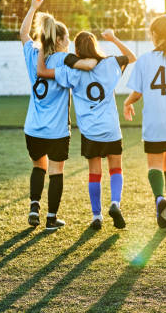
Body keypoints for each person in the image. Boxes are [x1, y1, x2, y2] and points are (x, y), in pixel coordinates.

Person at [37, 29, 136, 230]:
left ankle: (96, 216)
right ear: (95, 46)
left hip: (90, 131)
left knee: (94, 172)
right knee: (116, 168)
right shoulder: (110, 63)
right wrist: (113, 38)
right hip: (110, 128)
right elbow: (132, 57)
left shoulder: (73, 71)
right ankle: (115, 203)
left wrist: (42, 48)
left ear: (78, 50)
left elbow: (43, 72)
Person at [20, 0, 96, 231]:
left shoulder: (33, 53)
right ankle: (51, 219)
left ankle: (34, 207)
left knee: (38, 167)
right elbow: (89, 64)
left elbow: (24, 33)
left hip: (33, 127)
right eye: (68, 38)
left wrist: (33, 8)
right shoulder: (65, 59)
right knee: (56, 171)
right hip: (56, 130)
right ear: (61, 39)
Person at [123, 15, 166, 228]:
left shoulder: (144, 60)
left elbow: (137, 92)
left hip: (154, 123)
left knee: (154, 165)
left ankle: (158, 198)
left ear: (154, 35)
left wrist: (127, 103)